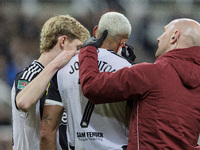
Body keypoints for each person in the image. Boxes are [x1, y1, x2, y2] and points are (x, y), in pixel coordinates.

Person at [78, 18, 200, 149]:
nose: (158, 38)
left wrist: (89, 50)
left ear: (174, 37)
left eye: (164, 32)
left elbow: (92, 86)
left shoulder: (151, 73)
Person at [40, 12, 135, 150]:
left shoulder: (63, 69)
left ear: (95, 31)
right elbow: (135, 125)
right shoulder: (129, 70)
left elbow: (46, 133)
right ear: (123, 43)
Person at [11, 14, 90, 150]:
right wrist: (55, 65)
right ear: (63, 42)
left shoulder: (63, 79)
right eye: (78, 48)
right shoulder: (30, 73)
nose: (79, 55)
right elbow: (23, 102)